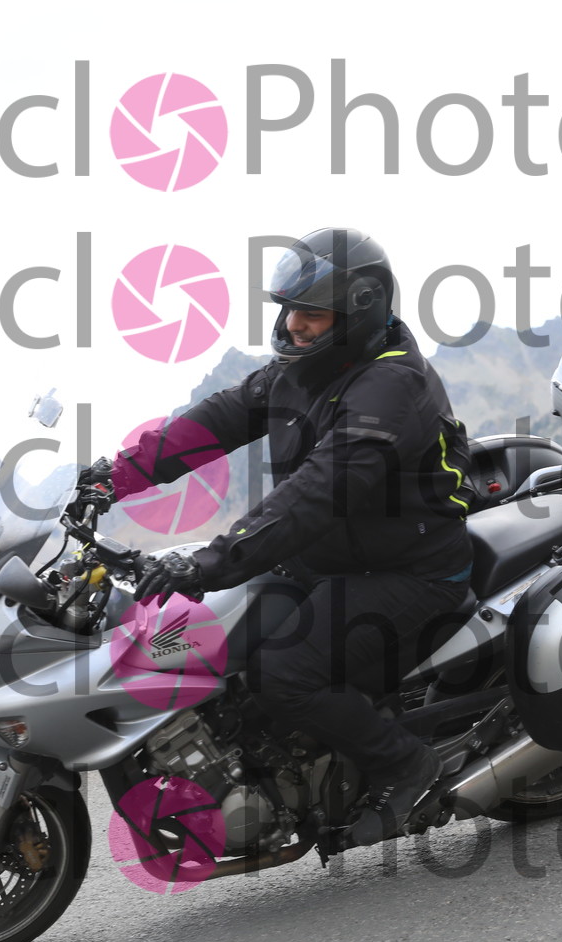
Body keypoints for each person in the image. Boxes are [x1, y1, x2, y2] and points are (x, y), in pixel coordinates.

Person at [90, 228, 474, 844]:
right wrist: (117, 477)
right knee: (212, 639)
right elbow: (218, 418)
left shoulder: (389, 389)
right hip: (323, 560)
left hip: (406, 572)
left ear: (360, 310)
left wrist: (209, 563)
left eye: (311, 313)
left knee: (283, 673)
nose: (294, 324)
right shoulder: (307, 370)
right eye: (290, 309)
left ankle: (409, 767)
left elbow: (317, 494)